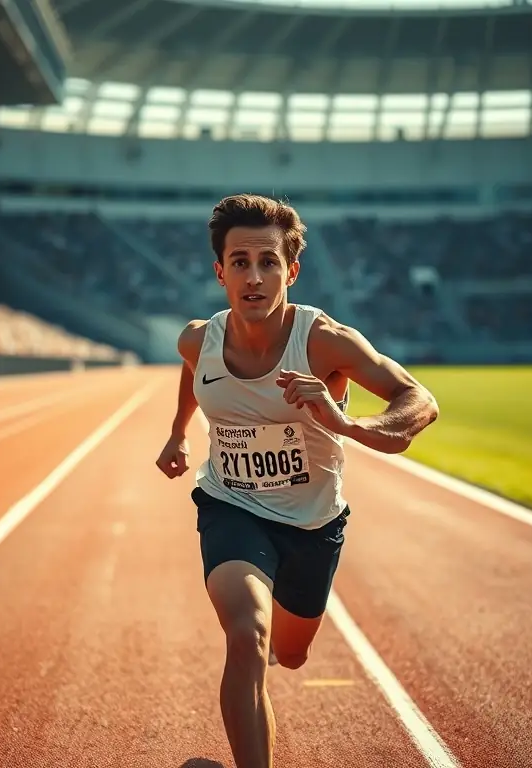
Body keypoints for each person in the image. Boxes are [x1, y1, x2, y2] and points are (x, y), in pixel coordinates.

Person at [155, 194, 439, 768]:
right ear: (220, 271)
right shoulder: (197, 339)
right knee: (246, 632)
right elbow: (196, 373)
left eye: (267, 262)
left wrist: (346, 422)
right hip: (230, 506)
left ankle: (281, 645)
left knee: (291, 650)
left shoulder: (323, 342)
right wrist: (178, 433)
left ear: (292, 269)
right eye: (240, 262)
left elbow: (419, 399)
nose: (254, 277)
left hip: (313, 524)